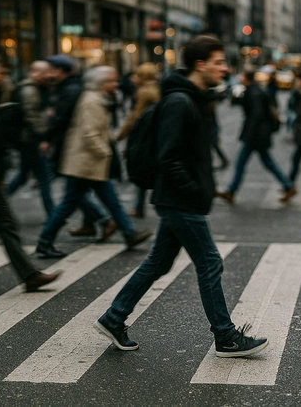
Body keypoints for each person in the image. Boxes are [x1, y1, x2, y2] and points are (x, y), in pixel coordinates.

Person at [94, 36, 268, 358]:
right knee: (210, 262)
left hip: (176, 197)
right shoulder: (179, 102)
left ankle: (114, 318)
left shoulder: (192, 98)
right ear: (200, 65)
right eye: (218, 62)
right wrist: (191, 188)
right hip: (178, 199)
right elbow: (168, 156)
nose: (225, 68)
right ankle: (226, 337)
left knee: (158, 262)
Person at [35, 66, 152, 258]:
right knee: (70, 204)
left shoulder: (98, 98)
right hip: (86, 161)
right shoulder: (92, 101)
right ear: (101, 83)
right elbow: (90, 133)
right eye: (111, 81)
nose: (116, 84)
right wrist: (105, 152)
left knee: (107, 200)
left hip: (89, 161)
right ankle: (45, 241)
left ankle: (129, 233)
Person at [0, 54, 61, 291]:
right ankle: (30, 274)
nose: (1, 76)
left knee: (8, 224)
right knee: (7, 224)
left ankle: (29, 274)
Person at [39, 54, 116, 251]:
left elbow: (62, 120)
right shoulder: (78, 92)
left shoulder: (72, 90)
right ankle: (106, 223)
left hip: (76, 153)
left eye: (51, 70)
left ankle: (47, 240)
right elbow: (80, 127)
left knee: (74, 197)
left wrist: (48, 138)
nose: (48, 73)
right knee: (74, 197)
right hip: (80, 154)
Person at [216, 67, 296, 204]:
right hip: (259, 135)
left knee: (243, 163)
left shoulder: (254, 92)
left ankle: (231, 191)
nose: (240, 77)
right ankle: (288, 186)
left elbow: (256, 115)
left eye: (241, 75)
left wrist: (248, 134)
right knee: (266, 162)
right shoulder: (253, 90)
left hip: (256, 135)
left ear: (246, 78)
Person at [5, 60, 55, 217]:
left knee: (23, 176)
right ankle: (53, 214)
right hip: (31, 141)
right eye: (44, 72)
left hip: (28, 140)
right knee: (44, 177)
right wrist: (42, 137)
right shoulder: (29, 91)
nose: (48, 75)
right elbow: (32, 116)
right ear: (34, 73)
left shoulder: (38, 88)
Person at [116, 63, 160, 218]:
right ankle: (139, 206)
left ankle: (143, 206)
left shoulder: (145, 92)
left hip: (145, 135)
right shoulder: (153, 90)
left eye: (137, 75)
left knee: (143, 168)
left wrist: (120, 135)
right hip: (151, 134)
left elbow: (135, 116)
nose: (133, 79)